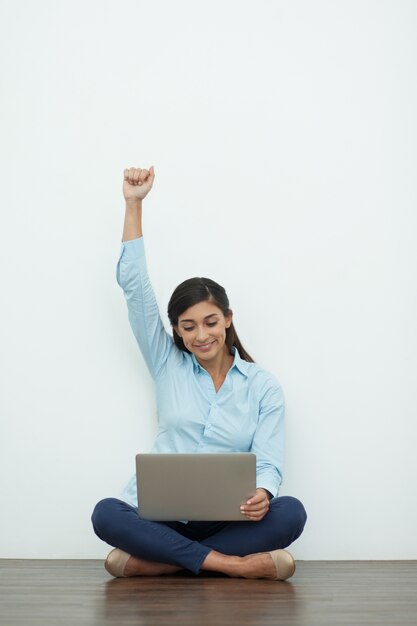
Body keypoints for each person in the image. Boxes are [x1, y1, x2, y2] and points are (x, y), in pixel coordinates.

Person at [91, 166, 307, 581]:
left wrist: (263, 493)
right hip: (164, 518)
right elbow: (136, 289)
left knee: (291, 512)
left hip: (233, 520)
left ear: (227, 319)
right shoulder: (166, 363)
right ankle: (229, 566)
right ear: (177, 331)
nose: (201, 335)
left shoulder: (263, 386)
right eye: (188, 327)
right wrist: (133, 204)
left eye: (210, 322)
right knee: (107, 514)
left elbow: (270, 462)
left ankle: (161, 564)